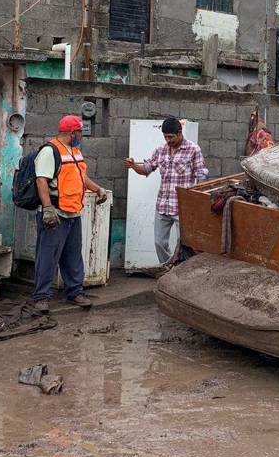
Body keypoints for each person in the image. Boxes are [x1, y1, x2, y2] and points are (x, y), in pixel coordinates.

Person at [25, 115, 108, 314]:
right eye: (80, 132)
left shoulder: (75, 151)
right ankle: (42, 297)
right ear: (72, 133)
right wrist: (47, 209)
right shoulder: (49, 151)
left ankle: (75, 292)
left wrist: (98, 189)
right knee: (48, 256)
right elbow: (41, 180)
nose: (82, 136)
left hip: (73, 213)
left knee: (73, 256)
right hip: (55, 213)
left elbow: (81, 177)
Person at [124, 117, 208, 265]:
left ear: (180, 133)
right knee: (159, 243)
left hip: (183, 207)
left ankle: (181, 272)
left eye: (171, 137)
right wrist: (133, 166)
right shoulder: (160, 150)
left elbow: (201, 175)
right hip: (163, 205)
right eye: (165, 137)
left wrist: (196, 200)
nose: (168, 140)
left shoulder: (193, 149)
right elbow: (146, 169)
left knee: (186, 245)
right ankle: (170, 268)